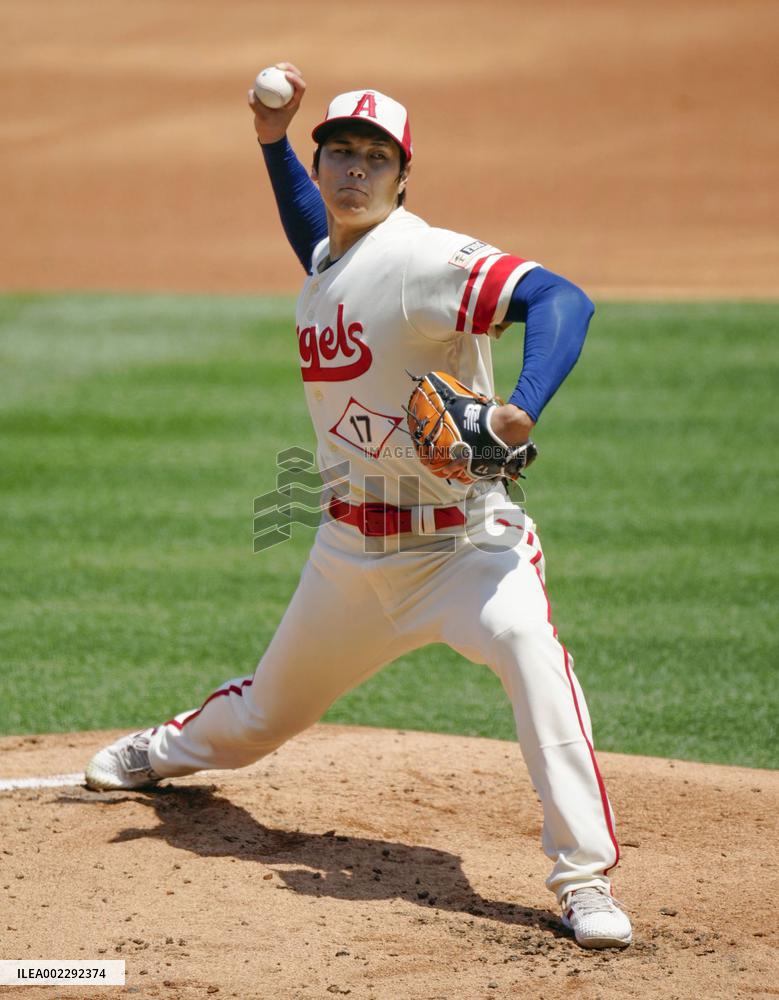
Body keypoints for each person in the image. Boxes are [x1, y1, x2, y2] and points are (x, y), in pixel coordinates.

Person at [85, 63, 632, 950]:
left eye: (375, 159)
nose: (354, 170)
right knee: (264, 716)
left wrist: (519, 409)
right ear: (321, 164)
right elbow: (319, 236)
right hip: (351, 555)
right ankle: (166, 751)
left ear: (403, 176)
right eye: (339, 152)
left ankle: (583, 881)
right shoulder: (332, 254)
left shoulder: (422, 258)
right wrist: (271, 140)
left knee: (532, 657)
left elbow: (559, 298)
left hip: (468, 549)